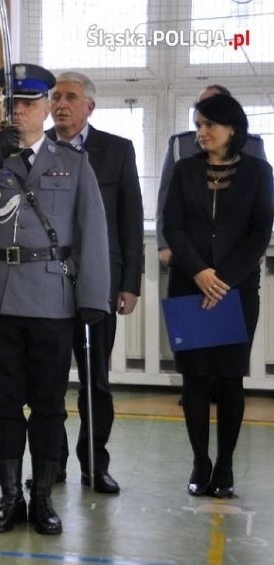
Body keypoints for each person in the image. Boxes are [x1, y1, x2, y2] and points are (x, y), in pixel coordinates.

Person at [0, 63, 110, 535]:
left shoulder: (73, 163)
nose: (18, 112)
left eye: (27, 103)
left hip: (50, 299)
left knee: (47, 404)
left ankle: (41, 497)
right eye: (11, 104)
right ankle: (9, 495)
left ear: (45, 109)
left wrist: (92, 298)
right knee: (2, 403)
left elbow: (92, 233)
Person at [162, 94, 273, 499]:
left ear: (232, 129)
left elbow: (260, 231)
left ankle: (224, 465)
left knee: (229, 380)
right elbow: (171, 225)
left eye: (209, 125)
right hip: (189, 285)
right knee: (194, 379)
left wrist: (222, 278)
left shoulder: (259, 172)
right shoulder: (184, 169)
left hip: (236, 289)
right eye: (198, 126)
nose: (201, 133)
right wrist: (200, 272)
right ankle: (199, 462)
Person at [47, 71, 143, 494]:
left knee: (95, 382)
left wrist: (130, 282)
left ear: (90, 106)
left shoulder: (117, 151)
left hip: (100, 282)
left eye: (70, 97)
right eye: (55, 97)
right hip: (46, 284)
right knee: (48, 382)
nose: (60, 104)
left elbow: (131, 219)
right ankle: (53, 464)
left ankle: (94, 464)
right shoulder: (37, 148)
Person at [156, 84, 266, 268]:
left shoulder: (254, 147)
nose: (202, 113)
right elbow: (166, 197)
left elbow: (261, 208)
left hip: (238, 252)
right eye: (200, 107)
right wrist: (164, 243)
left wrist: (256, 249)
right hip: (189, 253)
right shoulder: (180, 146)